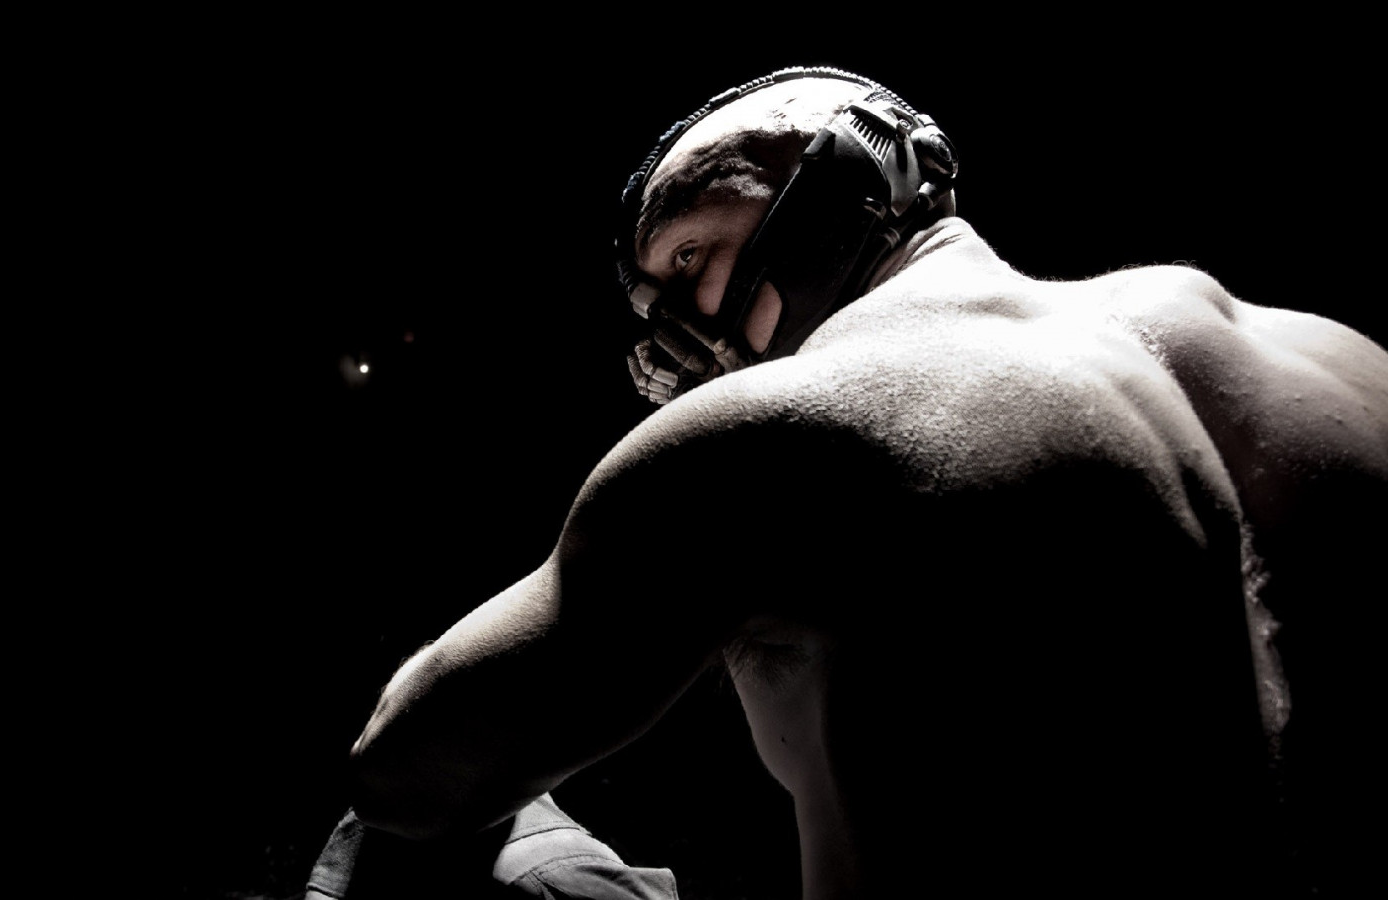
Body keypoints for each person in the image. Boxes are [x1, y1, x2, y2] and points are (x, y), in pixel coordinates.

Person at [321, 67, 1388, 899]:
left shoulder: (773, 433)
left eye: (687, 258)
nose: (681, 333)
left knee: (449, 826)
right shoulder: (1338, 363)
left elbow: (407, 772)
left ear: (850, 170)